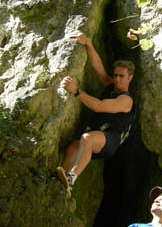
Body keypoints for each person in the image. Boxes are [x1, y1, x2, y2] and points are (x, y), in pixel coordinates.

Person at [56, 31, 135, 195]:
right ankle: (61, 186)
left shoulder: (126, 100)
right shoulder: (110, 86)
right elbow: (98, 66)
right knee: (72, 148)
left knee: (87, 138)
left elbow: (99, 106)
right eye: (116, 75)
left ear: (130, 78)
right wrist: (88, 44)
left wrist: (76, 91)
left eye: (122, 76)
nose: (117, 79)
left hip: (110, 139)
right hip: (97, 135)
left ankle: (71, 178)